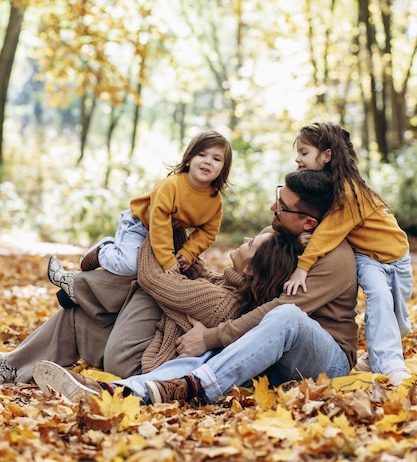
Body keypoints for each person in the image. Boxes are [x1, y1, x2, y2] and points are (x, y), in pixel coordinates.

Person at [32, 169, 359, 405]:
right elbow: (247, 282)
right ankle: (130, 390)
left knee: (283, 316)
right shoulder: (282, 233)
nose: (274, 208)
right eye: (278, 198)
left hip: (324, 358)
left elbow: (274, 310)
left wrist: (211, 335)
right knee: (211, 346)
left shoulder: (335, 258)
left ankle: (192, 385)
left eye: (283, 206)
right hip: (267, 350)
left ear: (308, 223)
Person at [0, 203, 301, 385]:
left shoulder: (222, 303)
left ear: (251, 270)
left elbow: (154, 278)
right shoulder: (228, 287)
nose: (247, 239)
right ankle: (13, 366)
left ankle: (79, 286)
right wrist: (174, 221)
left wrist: (152, 232)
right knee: (75, 318)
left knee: (148, 284)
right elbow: (194, 269)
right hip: (133, 347)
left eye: (252, 244)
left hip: (137, 361)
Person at [286, 122, 413, 385]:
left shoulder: (349, 189)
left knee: (399, 320)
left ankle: (375, 355)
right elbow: (325, 229)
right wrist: (303, 265)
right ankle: (390, 365)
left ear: (327, 155)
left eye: (304, 152)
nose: (298, 159)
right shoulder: (325, 186)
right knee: (379, 297)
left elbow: (330, 228)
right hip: (368, 258)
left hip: (398, 257)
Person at [47, 130, 233, 306]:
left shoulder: (214, 201)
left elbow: (208, 232)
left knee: (164, 276)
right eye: (202, 155)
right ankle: (104, 250)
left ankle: (82, 289)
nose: (208, 161)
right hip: (140, 223)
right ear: (188, 160)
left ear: (223, 168)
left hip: (170, 233)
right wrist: (167, 259)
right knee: (129, 266)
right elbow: (159, 220)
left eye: (216, 159)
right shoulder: (172, 185)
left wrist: (188, 252)